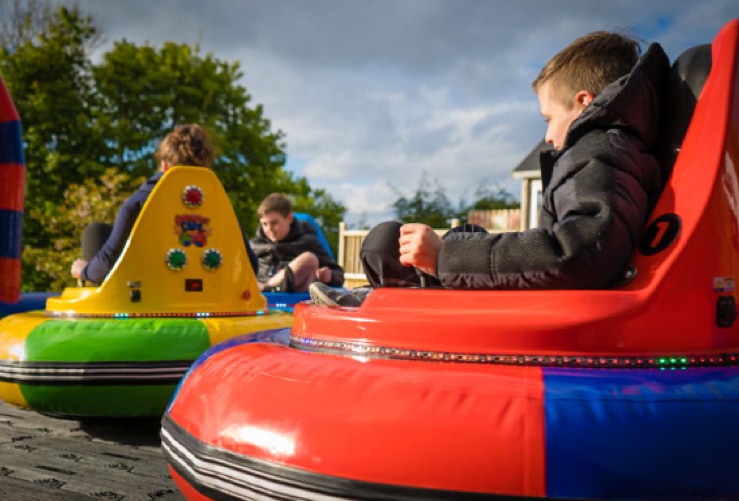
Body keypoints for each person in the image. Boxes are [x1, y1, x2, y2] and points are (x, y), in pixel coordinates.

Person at [310, 30, 668, 307]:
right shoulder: (609, 151)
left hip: (565, 309)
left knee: (386, 241)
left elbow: (580, 252)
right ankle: (390, 296)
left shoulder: (599, 149)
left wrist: (445, 257)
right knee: (454, 233)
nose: (546, 136)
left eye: (549, 118)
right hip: (556, 297)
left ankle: (389, 302)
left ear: (584, 102)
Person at [71, 123, 258, 284]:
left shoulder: (138, 204)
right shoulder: (219, 207)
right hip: (210, 300)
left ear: (164, 165)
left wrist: (84, 271)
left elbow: (104, 266)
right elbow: (251, 267)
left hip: (144, 298)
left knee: (96, 232)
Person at [251, 193, 344, 292]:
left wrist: (329, 276)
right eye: (264, 224)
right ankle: (264, 289)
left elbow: (338, 275)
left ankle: (267, 288)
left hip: (292, 297)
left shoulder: (307, 242)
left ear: (289, 219)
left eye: (274, 223)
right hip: (257, 296)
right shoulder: (255, 245)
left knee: (309, 259)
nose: (269, 229)